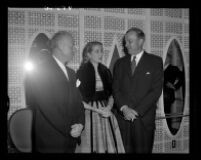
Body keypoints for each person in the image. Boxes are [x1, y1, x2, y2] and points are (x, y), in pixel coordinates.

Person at [24, 31, 85, 153]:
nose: (75, 49)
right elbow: (48, 107)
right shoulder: (41, 70)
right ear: (61, 46)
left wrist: (80, 124)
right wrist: (70, 128)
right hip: (50, 140)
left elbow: (78, 103)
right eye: (72, 45)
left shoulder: (71, 73)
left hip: (70, 138)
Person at [112, 27, 163, 153]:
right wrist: (124, 108)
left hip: (143, 121)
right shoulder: (119, 63)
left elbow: (156, 90)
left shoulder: (155, 61)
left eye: (130, 41)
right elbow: (115, 88)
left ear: (141, 41)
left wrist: (136, 111)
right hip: (123, 121)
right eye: (125, 41)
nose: (126, 44)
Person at [75, 41, 125, 153]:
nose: (100, 54)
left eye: (101, 51)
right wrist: (97, 110)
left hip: (106, 110)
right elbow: (78, 100)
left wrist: (108, 108)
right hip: (89, 112)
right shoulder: (81, 72)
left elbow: (112, 93)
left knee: (110, 144)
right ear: (88, 54)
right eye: (97, 51)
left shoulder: (105, 70)